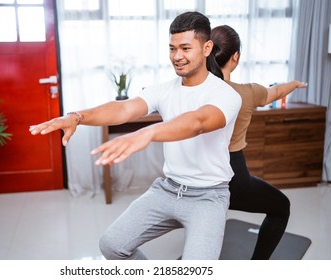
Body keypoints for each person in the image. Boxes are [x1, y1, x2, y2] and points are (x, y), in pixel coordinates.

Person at [30, 12, 241, 260]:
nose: (177, 56)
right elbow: (123, 108)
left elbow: (198, 122)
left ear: (207, 48)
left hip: (208, 196)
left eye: (185, 48)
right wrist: (77, 116)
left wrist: (148, 132)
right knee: (111, 244)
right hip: (168, 189)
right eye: (172, 48)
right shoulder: (163, 90)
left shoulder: (226, 95)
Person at [210, 24, 308, 259]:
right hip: (233, 178)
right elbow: (274, 93)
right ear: (235, 56)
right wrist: (294, 84)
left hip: (201, 175)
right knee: (281, 207)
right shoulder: (247, 92)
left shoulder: (194, 90)